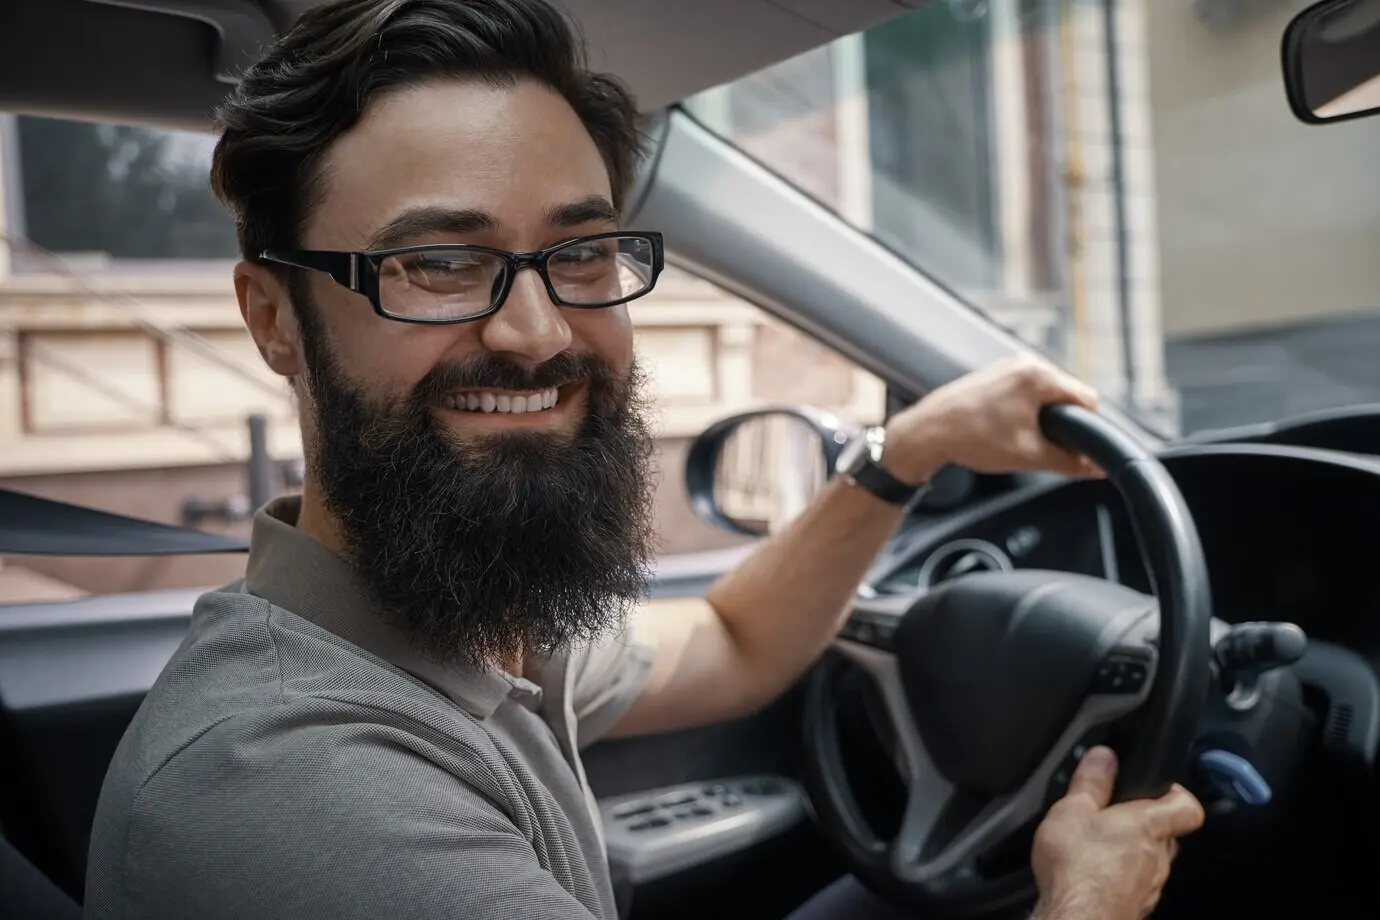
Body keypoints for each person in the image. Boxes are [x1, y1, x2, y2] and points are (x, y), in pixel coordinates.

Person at [82, 1, 1205, 918]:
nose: (536, 331)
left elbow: (732, 639)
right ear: (275, 317)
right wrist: (1084, 902)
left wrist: (904, 451)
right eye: (435, 262)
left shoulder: (458, 608)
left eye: (583, 251)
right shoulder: (292, 791)